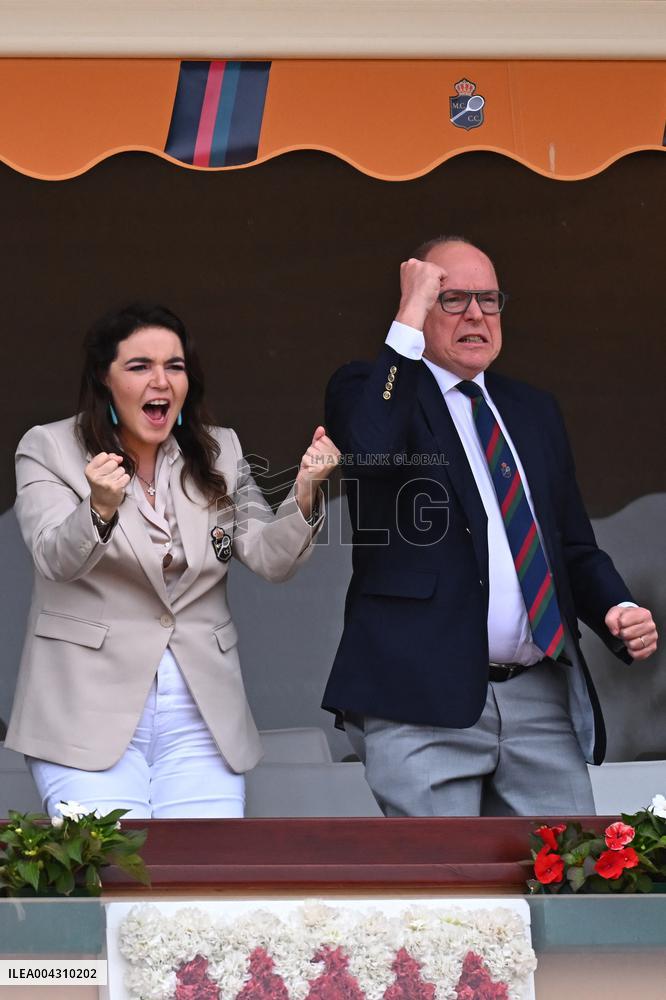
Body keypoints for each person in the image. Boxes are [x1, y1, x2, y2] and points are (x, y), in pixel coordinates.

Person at [322, 236, 658, 817]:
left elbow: (570, 545)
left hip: (538, 699)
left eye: (489, 299)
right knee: (446, 901)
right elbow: (371, 449)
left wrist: (615, 608)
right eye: (452, 299)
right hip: (420, 700)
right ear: (419, 307)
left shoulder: (531, 409)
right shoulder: (370, 386)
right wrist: (408, 313)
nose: (476, 314)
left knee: (571, 880)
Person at [6, 303, 340, 818]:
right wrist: (97, 507)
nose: (160, 380)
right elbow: (54, 557)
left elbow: (271, 560)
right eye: (139, 366)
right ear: (104, 378)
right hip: (86, 714)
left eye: (175, 366)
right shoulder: (49, 447)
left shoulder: (219, 450)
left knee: (200, 884)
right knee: (116, 878)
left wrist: (305, 494)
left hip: (201, 718)